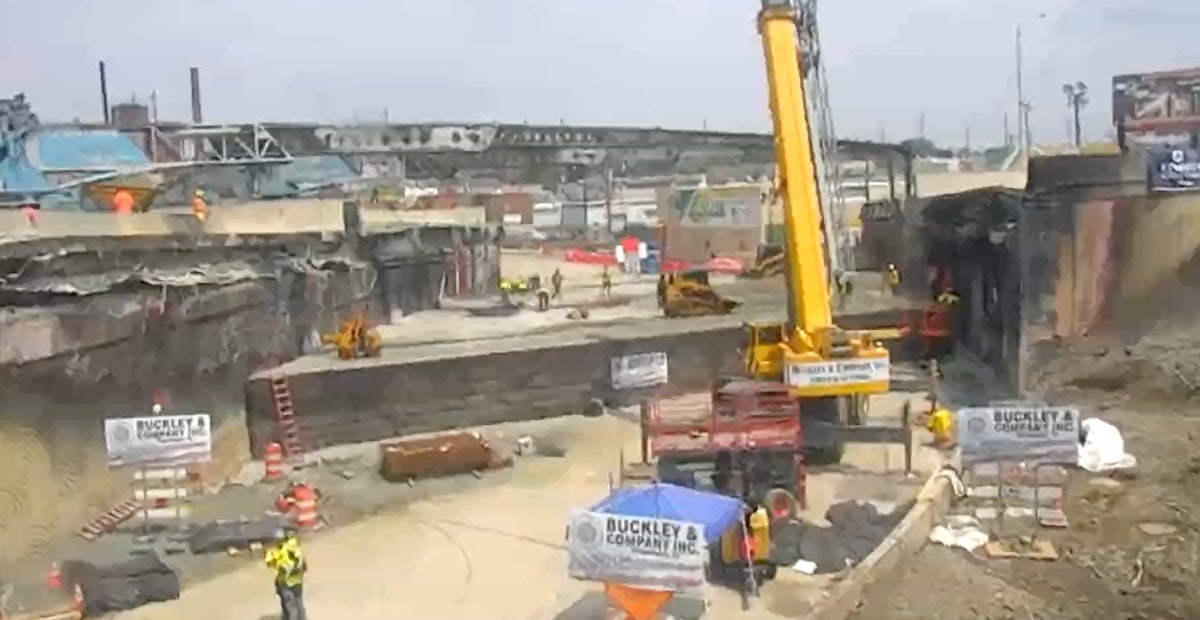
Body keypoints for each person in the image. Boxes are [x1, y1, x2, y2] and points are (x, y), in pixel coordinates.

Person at [265, 526, 308, 620]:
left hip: (286, 579)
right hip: (295, 578)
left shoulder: (275, 551)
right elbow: (301, 561)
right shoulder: (291, 545)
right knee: (298, 603)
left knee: (291, 606)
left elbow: (269, 562)